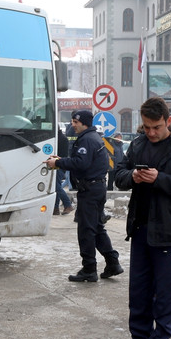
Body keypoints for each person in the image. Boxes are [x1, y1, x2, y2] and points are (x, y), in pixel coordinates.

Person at [114, 97, 171, 339]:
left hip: (170, 231)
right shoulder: (138, 144)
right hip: (141, 229)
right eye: (147, 127)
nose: (151, 132)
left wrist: (159, 179)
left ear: (169, 122)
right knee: (138, 293)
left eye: (157, 127)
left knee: (164, 295)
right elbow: (119, 175)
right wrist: (132, 176)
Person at [45, 110, 123, 283]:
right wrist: (63, 160)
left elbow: (81, 163)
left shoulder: (87, 139)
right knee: (96, 227)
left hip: (90, 190)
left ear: (84, 123)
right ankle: (112, 262)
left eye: (75, 122)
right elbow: (82, 160)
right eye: (73, 121)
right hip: (95, 188)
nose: (73, 125)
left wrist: (58, 162)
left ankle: (89, 269)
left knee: (86, 231)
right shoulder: (92, 137)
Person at [53, 127, 73, 215]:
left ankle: (67, 204)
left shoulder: (61, 139)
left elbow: (63, 155)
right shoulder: (58, 137)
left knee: (56, 186)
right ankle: (55, 208)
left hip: (59, 165)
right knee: (55, 186)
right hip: (56, 164)